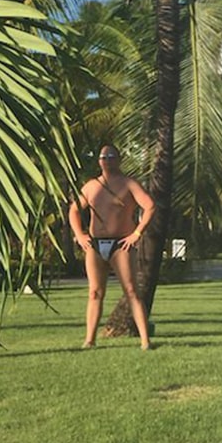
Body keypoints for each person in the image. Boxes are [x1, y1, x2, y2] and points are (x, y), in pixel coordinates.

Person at [68, 145, 155, 350]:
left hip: (120, 244)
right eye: (103, 156)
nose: (106, 160)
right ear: (99, 161)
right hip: (96, 245)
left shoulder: (128, 184)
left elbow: (150, 206)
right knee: (95, 292)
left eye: (111, 156)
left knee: (132, 290)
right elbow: (73, 211)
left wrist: (137, 233)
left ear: (119, 159)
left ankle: (145, 341)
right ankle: (89, 339)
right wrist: (80, 235)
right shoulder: (91, 186)